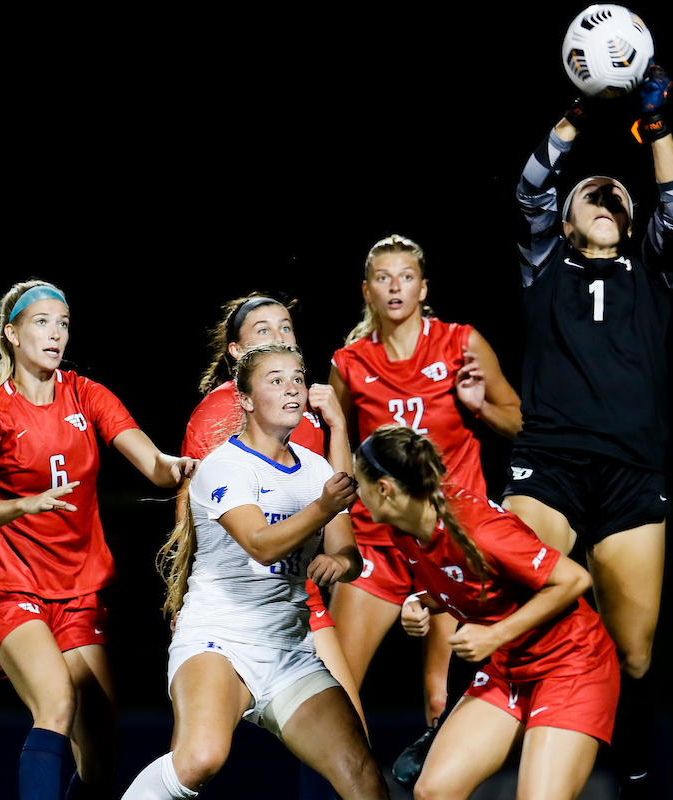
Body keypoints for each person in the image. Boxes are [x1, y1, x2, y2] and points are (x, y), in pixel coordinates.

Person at [502, 62, 673, 797]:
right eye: (590, 191)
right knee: (517, 604)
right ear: (566, 219)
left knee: (635, 652)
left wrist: (656, 124)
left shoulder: (652, 271)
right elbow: (527, 190)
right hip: (548, 464)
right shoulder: (543, 262)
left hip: (632, 473)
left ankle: (633, 748)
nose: (607, 193)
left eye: (619, 194)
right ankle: (461, 719)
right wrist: (576, 118)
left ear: (633, 221)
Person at [0, 279, 197, 800]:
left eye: (63, 323)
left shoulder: (85, 394)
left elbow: (154, 465)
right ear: (12, 334)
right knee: (56, 703)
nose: (55, 333)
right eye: (41, 322)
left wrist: (177, 467)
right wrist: (25, 502)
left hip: (79, 593)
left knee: (101, 757)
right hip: (12, 589)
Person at [125, 342, 389, 800]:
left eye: (298, 379)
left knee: (363, 776)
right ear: (244, 400)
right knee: (201, 758)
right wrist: (324, 506)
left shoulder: (315, 469)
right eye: (276, 380)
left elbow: (351, 554)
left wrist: (338, 561)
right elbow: (261, 545)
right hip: (218, 640)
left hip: (288, 651)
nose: (293, 390)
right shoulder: (223, 466)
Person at [327, 233, 523, 777]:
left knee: (441, 699)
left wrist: (479, 408)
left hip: (449, 542)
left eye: (406, 276)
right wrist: (335, 523)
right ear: (367, 291)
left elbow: (521, 423)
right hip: (378, 543)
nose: (395, 286)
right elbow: (336, 450)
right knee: (335, 691)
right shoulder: (348, 364)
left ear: (423, 287)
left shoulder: (461, 343)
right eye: (384, 278)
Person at [353, 425, 618, 800]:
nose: (356, 493)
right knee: (434, 791)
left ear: (384, 490)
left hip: (571, 665)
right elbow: (467, 581)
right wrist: (420, 601)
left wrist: (493, 635)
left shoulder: (479, 528)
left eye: (360, 482)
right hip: (509, 669)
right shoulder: (405, 527)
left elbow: (574, 580)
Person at [179, 292, 366, 733]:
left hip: (295, 592)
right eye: (263, 331)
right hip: (233, 605)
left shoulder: (302, 403)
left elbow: (338, 498)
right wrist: (181, 598)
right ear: (237, 352)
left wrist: (338, 426)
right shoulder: (218, 412)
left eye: (286, 327)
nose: (280, 336)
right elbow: (193, 513)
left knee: (348, 735)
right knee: (201, 754)